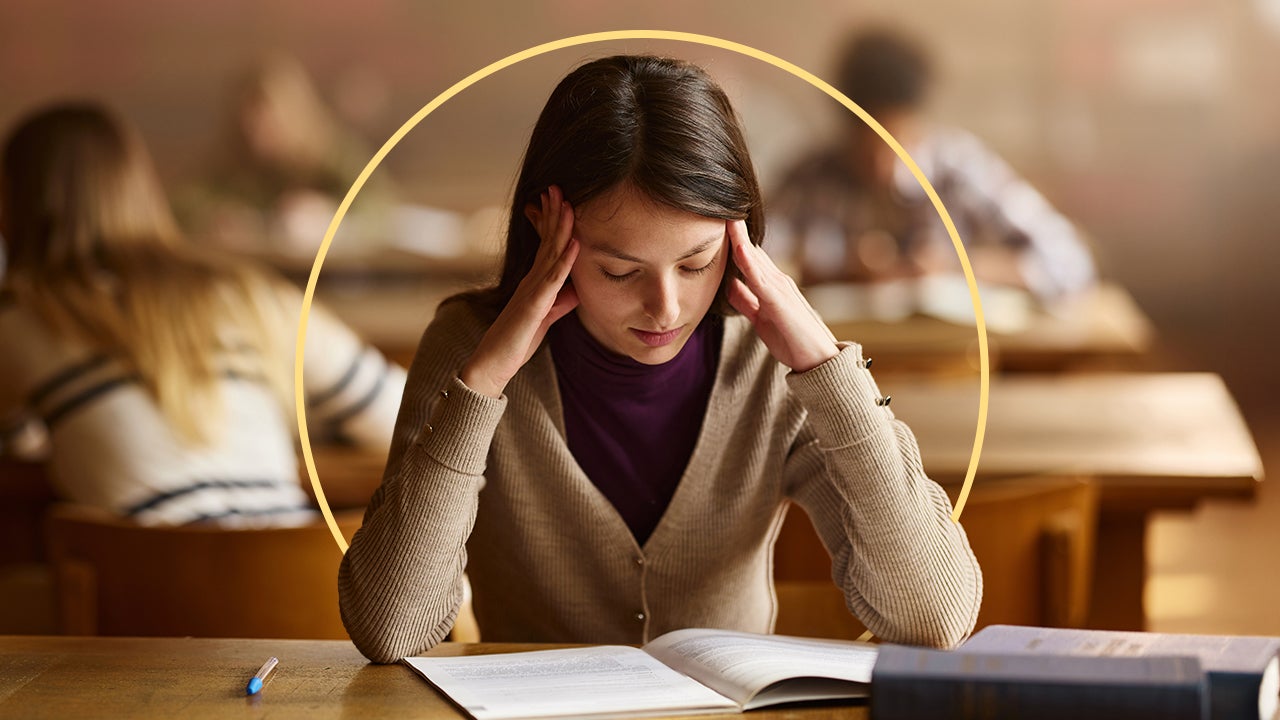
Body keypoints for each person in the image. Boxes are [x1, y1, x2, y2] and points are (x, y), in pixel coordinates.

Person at [338, 55, 982, 664]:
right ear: (544, 229)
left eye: (697, 263)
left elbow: (932, 616)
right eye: (620, 271)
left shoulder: (771, 363)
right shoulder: (468, 349)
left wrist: (829, 376)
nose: (666, 309)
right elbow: (392, 627)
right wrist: (481, 385)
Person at [0, 102, 406, 526]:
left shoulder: (19, 316)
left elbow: (18, 441)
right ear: (141, 190)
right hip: (295, 558)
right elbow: (408, 415)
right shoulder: (244, 295)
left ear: (13, 204)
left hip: (141, 566)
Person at [769, 27, 1097, 301]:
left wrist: (956, 269)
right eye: (866, 146)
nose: (881, 164)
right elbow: (757, 261)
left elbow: (1070, 262)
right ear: (845, 128)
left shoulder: (960, 168)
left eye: (895, 142)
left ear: (917, 121)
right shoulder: (809, 176)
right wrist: (835, 273)